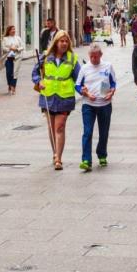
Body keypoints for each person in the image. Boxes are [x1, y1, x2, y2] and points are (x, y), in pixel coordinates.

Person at [32, 30, 80, 170]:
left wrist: (85, 89)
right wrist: (38, 81)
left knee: (60, 127)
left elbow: (79, 77)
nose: (64, 44)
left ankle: (59, 158)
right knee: (51, 127)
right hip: (48, 95)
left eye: (66, 41)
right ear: (56, 42)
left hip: (65, 97)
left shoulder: (72, 58)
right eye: (61, 41)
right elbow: (35, 73)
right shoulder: (46, 56)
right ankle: (54, 153)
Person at [75, 43, 117, 171]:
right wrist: (85, 93)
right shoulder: (85, 68)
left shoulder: (108, 66)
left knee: (104, 132)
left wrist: (111, 92)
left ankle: (102, 154)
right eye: (91, 56)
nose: (93, 59)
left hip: (104, 104)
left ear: (101, 55)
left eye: (96, 57)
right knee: (87, 132)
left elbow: (113, 82)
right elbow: (77, 86)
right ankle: (86, 160)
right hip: (89, 104)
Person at [1, 25, 24, 95]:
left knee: (15, 73)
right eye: (12, 29)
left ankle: (13, 87)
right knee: (9, 72)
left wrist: (17, 49)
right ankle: (9, 85)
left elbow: (22, 46)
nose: (14, 31)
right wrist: (10, 49)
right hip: (8, 58)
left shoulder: (18, 38)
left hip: (17, 57)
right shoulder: (5, 39)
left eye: (14, 29)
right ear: (9, 31)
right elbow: (3, 48)